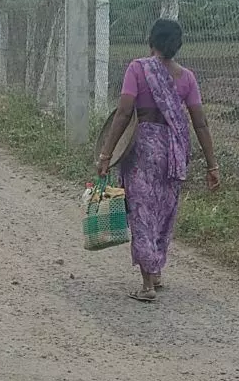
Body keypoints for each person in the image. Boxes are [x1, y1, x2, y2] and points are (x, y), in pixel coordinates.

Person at [94, 18, 219, 302]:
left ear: (151, 42)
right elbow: (200, 123)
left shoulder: (138, 69)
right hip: (174, 151)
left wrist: (106, 154)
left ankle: (147, 284)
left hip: (142, 149)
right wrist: (212, 165)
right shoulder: (187, 78)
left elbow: (123, 113)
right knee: (164, 211)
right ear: (177, 46)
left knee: (142, 213)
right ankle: (157, 270)